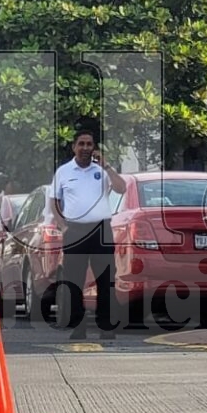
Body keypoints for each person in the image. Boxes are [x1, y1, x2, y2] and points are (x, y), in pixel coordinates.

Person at [49, 126, 127, 340]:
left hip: (101, 230)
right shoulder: (63, 172)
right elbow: (54, 202)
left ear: (94, 148)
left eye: (89, 144)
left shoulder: (102, 171)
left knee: (105, 280)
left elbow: (122, 188)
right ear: (74, 147)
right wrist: (63, 226)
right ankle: (78, 326)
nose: (85, 148)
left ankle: (106, 326)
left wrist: (107, 166)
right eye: (81, 144)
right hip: (75, 231)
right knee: (74, 281)